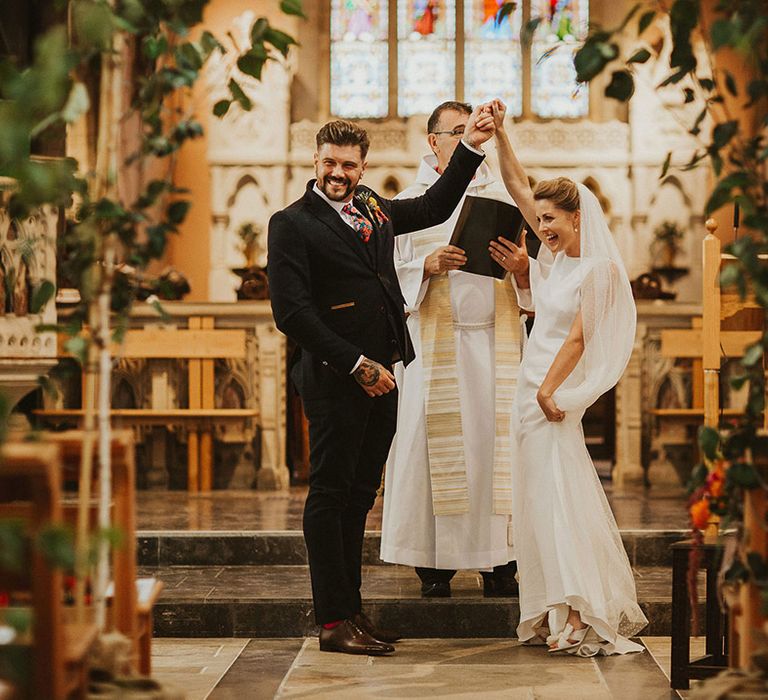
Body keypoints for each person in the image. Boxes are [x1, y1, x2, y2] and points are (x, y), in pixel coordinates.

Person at [267, 111, 495, 656]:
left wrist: (470, 147)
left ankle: (353, 612)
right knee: (329, 496)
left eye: (348, 164)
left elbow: (434, 207)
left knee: (359, 496)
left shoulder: (371, 206)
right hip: (336, 377)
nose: (337, 173)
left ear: (363, 165)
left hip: (388, 376)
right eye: (329, 163)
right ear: (315, 161)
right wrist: (357, 364)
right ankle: (331, 622)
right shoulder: (291, 223)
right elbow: (292, 313)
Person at [488, 99, 648, 656]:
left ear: (576, 217)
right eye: (540, 219)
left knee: (560, 498)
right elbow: (516, 185)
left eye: (549, 219)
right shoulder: (553, 261)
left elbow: (578, 339)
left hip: (551, 394)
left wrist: (550, 391)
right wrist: (501, 134)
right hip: (532, 389)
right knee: (536, 498)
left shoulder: (599, 270)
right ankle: (559, 606)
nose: (541, 227)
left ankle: (582, 610)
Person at [381, 100, 529, 598]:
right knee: (432, 451)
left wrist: (523, 267)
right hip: (434, 346)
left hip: (496, 345)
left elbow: (539, 272)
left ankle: (500, 562)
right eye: (461, 132)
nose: (474, 141)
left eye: (478, 131)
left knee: (499, 452)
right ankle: (435, 565)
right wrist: (426, 265)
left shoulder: (502, 197)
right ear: (434, 141)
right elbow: (384, 275)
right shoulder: (410, 201)